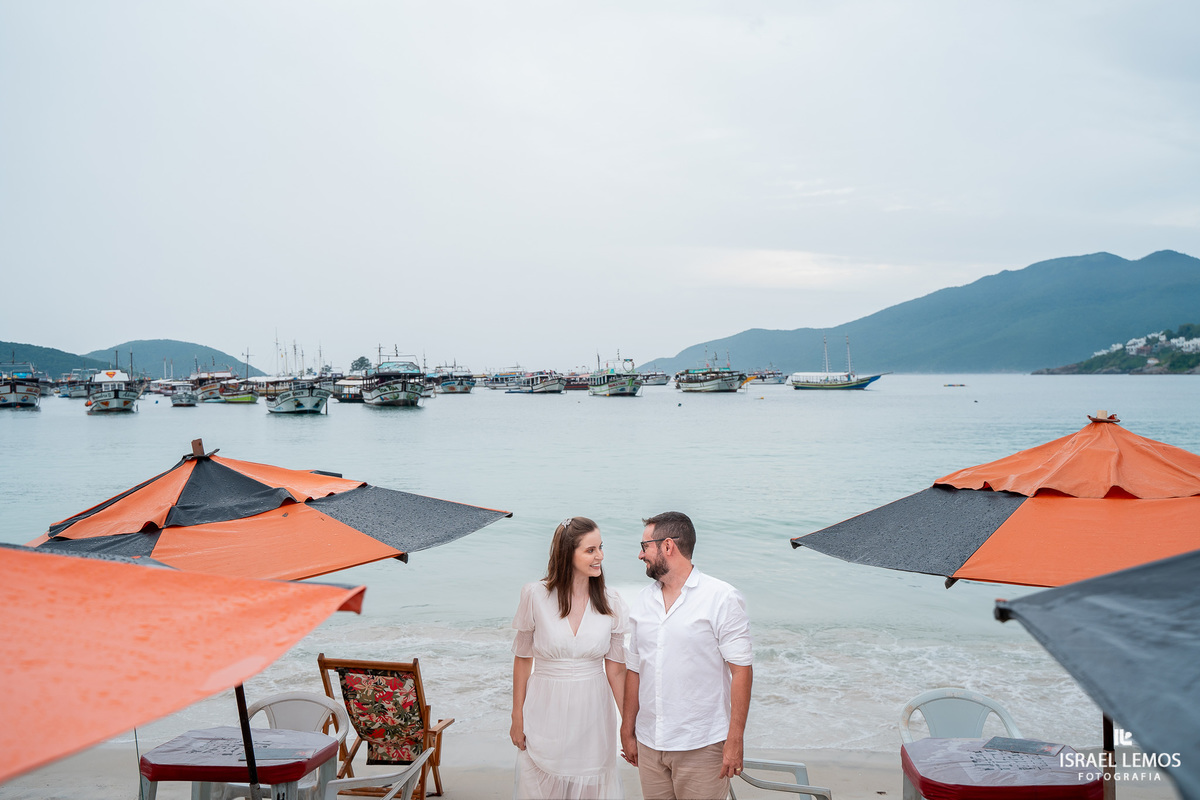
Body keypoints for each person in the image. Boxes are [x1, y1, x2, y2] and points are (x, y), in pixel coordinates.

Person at [620, 511, 753, 800]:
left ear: (668, 546)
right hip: (649, 742)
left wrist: (734, 740)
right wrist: (627, 729)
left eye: (645, 547)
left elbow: (741, 670)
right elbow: (634, 669)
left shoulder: (722, 598)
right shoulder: (643, 600)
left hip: (701, 743)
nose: (639, 555)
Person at [511, 517, 629, 799]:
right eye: (590, 550)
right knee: (538, 785)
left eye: (600, 547)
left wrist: (628, 724)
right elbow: (523, 659)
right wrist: (517, 715)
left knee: (590, 788)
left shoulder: (612, 602)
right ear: (567, 553)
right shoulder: (535, 595)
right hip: (543, 711)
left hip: (593, 716)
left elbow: (616, 671)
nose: (599, 556)